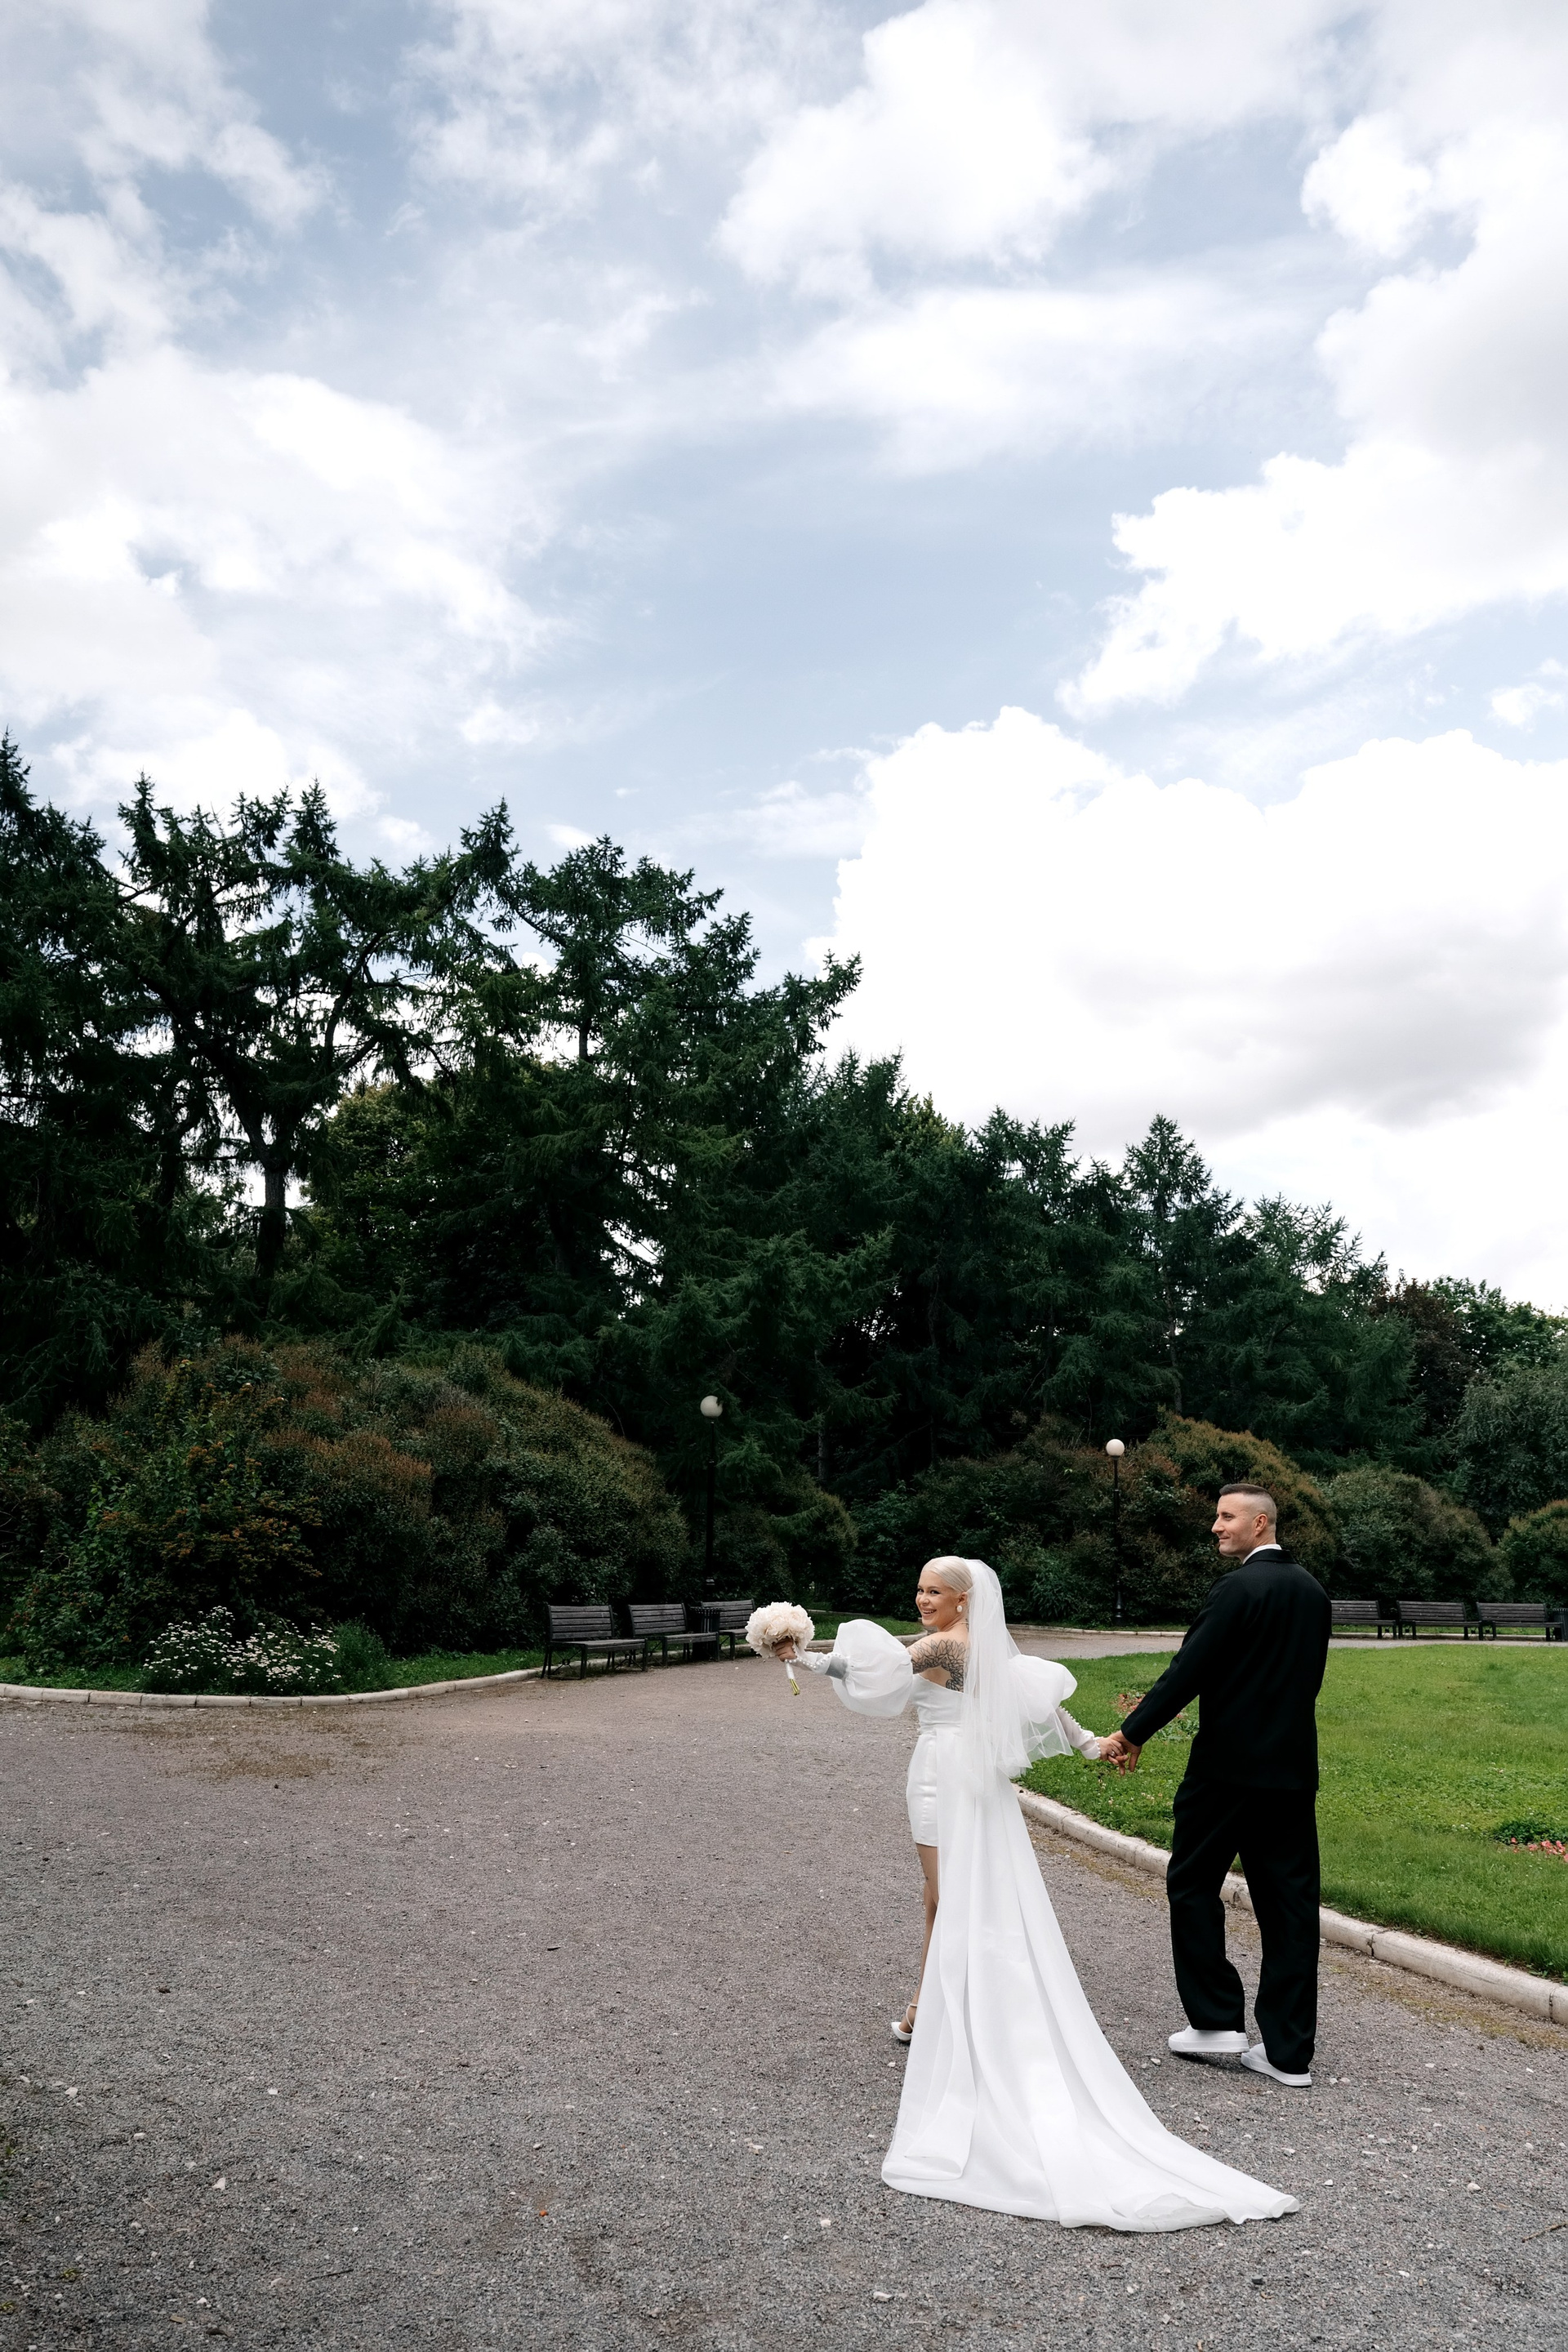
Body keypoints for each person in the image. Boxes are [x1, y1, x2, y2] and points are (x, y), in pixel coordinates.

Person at [777, 1556, 1298, 2233]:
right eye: (920, 1589)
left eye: (935, 1591)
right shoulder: (991, 1653)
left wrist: (798, 1653)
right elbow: (1045, 1708)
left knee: (947, 1900)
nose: (923, 1599)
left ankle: (954, 2018)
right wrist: (1096, 1745)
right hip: (980, 1784)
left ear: (964, 1600)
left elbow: (868, 1673)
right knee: (946, 1897)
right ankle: (921, 2008)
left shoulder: (941, 1648)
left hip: (941, 1776)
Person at [1099, 1485, 1332, 2090]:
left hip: (1225, 1771)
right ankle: (1288, 2053)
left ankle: (1215, 2021)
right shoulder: (1312, 1591)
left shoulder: (1237, 1589)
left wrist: (1132, 1732)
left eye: (1227, 1517)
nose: (1216, 1526)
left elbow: (1190, 1670)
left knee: (1192, 1883)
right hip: (1291, 1772)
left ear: (1261, 1523)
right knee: (1290, 1906)